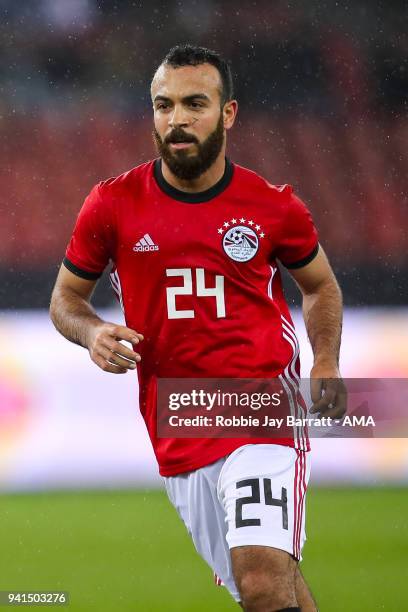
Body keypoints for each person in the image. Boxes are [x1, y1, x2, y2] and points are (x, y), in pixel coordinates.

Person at [50, 44, 346, 612]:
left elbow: (320, 286)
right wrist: (92, 333)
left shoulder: (272, 206)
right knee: (267, 585)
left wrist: (326, 361)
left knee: (260, 575)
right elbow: (66, 298)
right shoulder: (112, 204)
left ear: (228, 113)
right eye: (163, 106)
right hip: (178, 421)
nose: (177, 119)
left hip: (261, 408)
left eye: (194, 104)